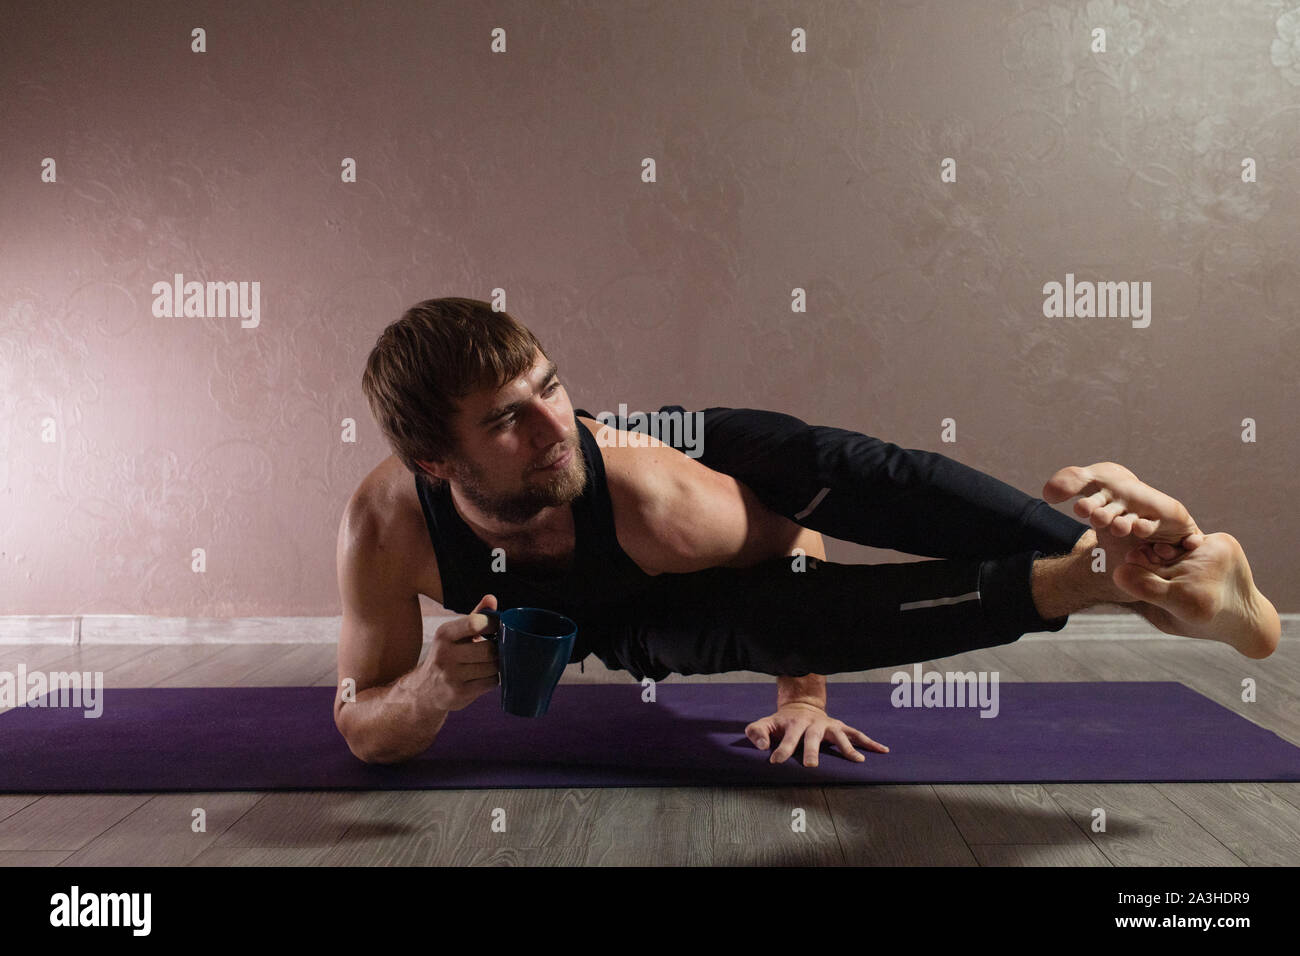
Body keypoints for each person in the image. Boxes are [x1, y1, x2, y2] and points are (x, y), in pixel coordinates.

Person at [335, 298, 1280, 767]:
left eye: (552, 387)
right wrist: (424, 694)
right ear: (436, 463)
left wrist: (807, 694)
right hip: (622, 616)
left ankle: (1135, 560)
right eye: (507, 419)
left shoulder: (651, 495)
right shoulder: (384, 528)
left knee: (833, 477)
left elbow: (797, 550)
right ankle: (1104, 576)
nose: (553, 427)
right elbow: (359, 722)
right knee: (709, 631)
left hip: (703, 466)